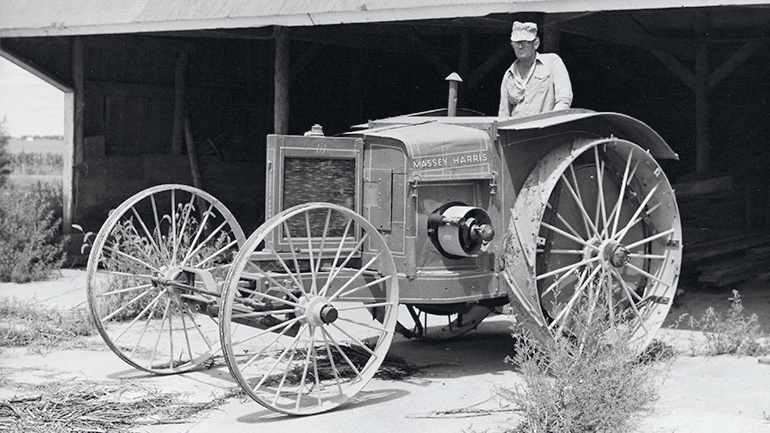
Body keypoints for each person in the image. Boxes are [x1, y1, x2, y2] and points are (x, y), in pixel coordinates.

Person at [498, 21, 573, 118]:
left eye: (525, 42)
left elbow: (564, 100)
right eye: (517, 42)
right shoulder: (509, 75)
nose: (520, 46)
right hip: (518, 131)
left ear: (536, 43)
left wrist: (552, 124)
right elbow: (504, 113)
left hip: (547, 129)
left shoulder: (552, 62)